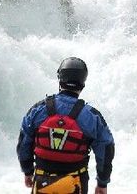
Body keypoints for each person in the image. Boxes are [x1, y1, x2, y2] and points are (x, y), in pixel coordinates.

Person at [17, 57, 115, 194]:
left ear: (60, 79)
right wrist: (102, 183)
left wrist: (27, 171)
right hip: (76, 181)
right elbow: (106, 148)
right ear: (83, 84)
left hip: (42, 180)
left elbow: (23, 144)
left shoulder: (37, 110)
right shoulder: (92, 116)